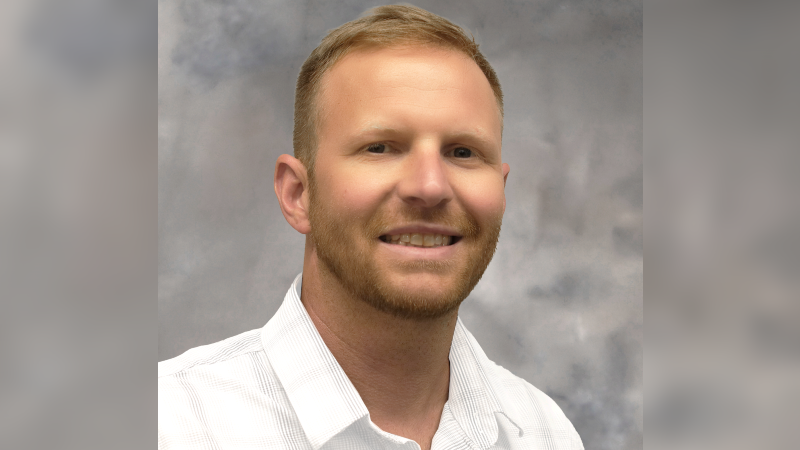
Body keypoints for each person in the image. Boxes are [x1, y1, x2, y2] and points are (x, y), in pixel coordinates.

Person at [158, 5, 583, 450]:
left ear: (500, 190)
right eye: (380, 147)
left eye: (462, 152)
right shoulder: (167, 426)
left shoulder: (543, 432)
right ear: (298, 194)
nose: (430, 186)